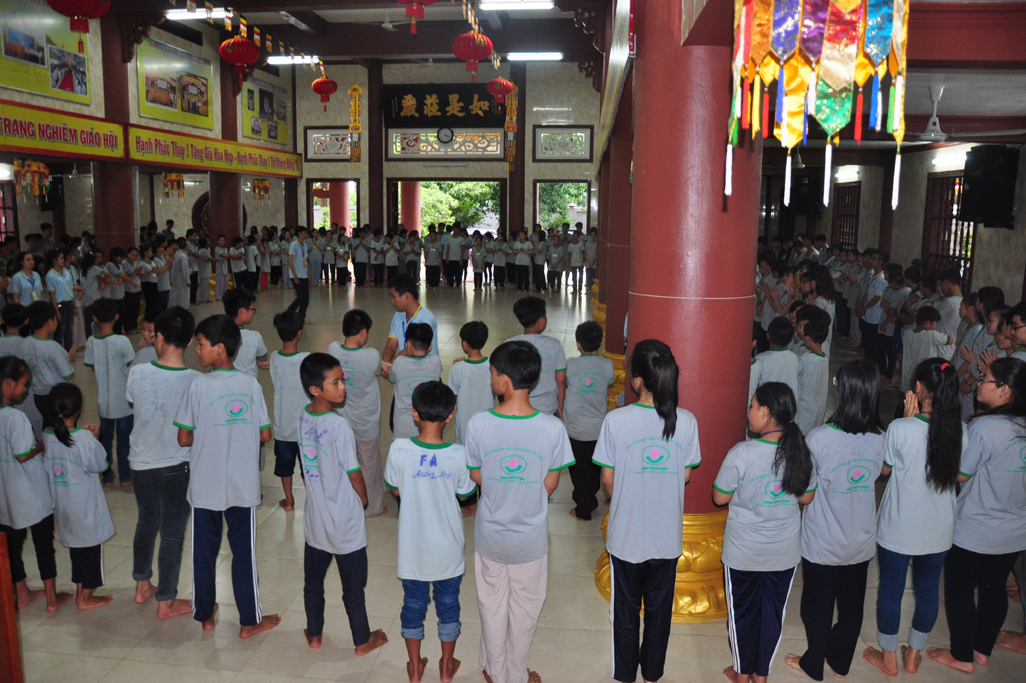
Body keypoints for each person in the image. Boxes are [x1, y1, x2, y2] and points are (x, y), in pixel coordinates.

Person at [465, 340, 574, 683]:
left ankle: (494, 670)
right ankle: (515, 675)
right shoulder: (553, 428)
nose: (491, 379)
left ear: (503, 381)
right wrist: (524, 493)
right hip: (530, 539)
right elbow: (550, 484)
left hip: (490, 535)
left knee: (491, 604)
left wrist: (501, 488)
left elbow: (476, 474)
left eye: (492, 373)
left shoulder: (478, 424)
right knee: (525, 609)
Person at [593, 340, 700, 683]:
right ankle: (652, 674)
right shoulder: (686, 421)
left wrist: (628, 494)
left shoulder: (616, 420)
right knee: (659, 612)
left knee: (625, 612)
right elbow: (685, 476)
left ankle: (625, 674)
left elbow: (607, 479)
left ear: (636, 379)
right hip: (666, 537)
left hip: (626, 536)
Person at [174, 314, 279, 638]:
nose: (197, 351)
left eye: (201, 345)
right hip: (241, 485)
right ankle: (249, 621)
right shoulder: (250, 385)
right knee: (243, 553)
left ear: (220, 348)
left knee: (203, 554)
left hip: (205, 484)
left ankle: (205, 615)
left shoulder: (197, 385)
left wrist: (210, 433)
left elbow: (183, 437)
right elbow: (265, 434)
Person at [784, 359, 885, 681]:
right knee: (852, 607)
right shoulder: (880, 438)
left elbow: (805, 489)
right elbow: (882, 471)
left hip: (824, 540)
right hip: (861, 538)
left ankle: (814, 662)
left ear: (840, 388)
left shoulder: (819, 438)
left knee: (817, 604)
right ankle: (840, 663)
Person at [864, 358, 965, 675]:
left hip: (899, 526)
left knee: (890, 590)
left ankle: (889, 658)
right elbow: (960, 476)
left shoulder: (900, 428)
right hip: (939, 528)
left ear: (919, 388)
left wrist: (905, 421)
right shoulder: (961, 430)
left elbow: (883, 471)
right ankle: (913, 654)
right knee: (928, 591)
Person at [925, 357, 1026, 672]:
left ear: (1005, 390)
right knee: (993, 588)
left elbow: (961, 475)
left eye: (986, 379)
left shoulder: (986, 427)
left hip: (977, 529)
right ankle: (982, 650)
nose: (979, 383)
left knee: (959, 590)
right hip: (1015, 530)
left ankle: (962, 655)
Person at [713, 382, 817, 683]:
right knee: (772, 616)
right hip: (783, 553)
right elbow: (806, 497)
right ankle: (761, 677)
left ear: (766, 412)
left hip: (743, 552)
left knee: (742, 616)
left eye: (752, 406)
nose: (748, 412)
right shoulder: (801, 452)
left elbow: (719, 497)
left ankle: (742, 675)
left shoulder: (742, 453)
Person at [296, 353, 389, 654]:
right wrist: (364, 499)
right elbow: (354, 473)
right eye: (335, 382)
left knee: (313, 583)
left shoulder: (303, 416)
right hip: (345, 522)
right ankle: (362, 640)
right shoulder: (340, 427)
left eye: (342, 380)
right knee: (353, 588)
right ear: (315, 389)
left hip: (316, 519)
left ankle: (314, 634)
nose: (343, 387)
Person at [384, 381, 477, 683]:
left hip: (413, 549)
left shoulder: (398, 448)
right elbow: (465, 495)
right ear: (450, 415)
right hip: (447, 549)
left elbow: (395, 489)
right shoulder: (460, 454)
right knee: (448, 605)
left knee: (413, 605)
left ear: (414, 413)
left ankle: (414, 668)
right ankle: (446, 667)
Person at [125, 306, 197, 619]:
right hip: (176, 466)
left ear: (159, 337)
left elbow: (133, 403)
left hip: (140, 464)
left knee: (146, 520)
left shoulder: (138, 372)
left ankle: (142, 585)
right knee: (171, 532)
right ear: (191, 341)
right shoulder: (196, 381)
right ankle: (166, 600)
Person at [0, 356, 71, 612]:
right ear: (8, 383)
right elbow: (22, 455)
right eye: (24, 384)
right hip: (29, 489)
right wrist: (41, 445)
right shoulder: (15, 418)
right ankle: (52, 598)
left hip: (5, 493)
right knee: (43, 542)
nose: (26, 390)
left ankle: (21, 592)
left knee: (12, 543)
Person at [45, 382, 116, 610]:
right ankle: (85, 598)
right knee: (92, 553)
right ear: (80, 408)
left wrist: (85, 436)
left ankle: (80, 592)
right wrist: (94, 438)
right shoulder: (84, 440)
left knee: (78, 552)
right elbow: (101, 465)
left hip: (65, 508)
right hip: (85, 509)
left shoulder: (48, 435)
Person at [328, 310, 386, 518]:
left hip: (343, 419)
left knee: (345, 461)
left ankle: (346, 501)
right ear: (363, 333)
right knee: (369, 464)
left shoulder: (333, 349)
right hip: (367, 421)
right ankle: (372, 507)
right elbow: (378, 371)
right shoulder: (371, 356)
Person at [563, 321, 615, 520]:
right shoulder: (607, 364)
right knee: (594, 467)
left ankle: (583, 506)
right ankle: (591, 496)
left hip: (574, 427)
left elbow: (566, 382)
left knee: (578, 469)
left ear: (578, 344)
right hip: (597, 428)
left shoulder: (571, 364)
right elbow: (610, 381)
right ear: (601, 342)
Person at [84, 299, 136, 486]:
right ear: (116, 317)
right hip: (123, 401)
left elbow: (92, 367)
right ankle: (125, 476)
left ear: (95, 318)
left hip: (103, 402)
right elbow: (132, 367)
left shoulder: (91, 342)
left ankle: (107, 476)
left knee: (105, 440)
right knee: (124, 440)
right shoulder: (123, 341)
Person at [269, 311, 309, 512]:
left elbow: (275, 382)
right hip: (305, 427)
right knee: (308, 466)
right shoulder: (307, 359)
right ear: (299, 333)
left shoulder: (274, 357)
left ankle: (289, 500)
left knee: (285, 465)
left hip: (283, 426)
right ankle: (313, 499)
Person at [506, 296, 567, 416]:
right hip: (548, 408)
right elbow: (561, 380)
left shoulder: (509, 344)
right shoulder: (554, 344)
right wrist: (560, 407)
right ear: (541, 321)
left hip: (517, 408)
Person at [24, 301, 75, 428]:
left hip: (39, 395)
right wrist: (68, 360)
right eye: (55, 319)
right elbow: (68, 375)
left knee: (48, 424)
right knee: (62, 427)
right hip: (57, 396)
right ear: (49, 323)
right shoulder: (52, 347)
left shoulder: (25, 342)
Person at [388, 323, 443, 440]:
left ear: (408, 344)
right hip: (428, 428)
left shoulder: (399, 363)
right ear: (430, 346)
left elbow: (391, 378)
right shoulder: (435, 362)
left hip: (402, 427)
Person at [446, 321, 494, 446]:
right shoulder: (492, 365)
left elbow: (450, 397)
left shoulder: (458, 368)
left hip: (465, 426)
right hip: (487, 424)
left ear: (465, 344)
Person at [0, 305, 44, 436]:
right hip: (26, 400)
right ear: (26, 321)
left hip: (3, 398)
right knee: (32, 435)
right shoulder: (28, 344)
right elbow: (36, 369)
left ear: (2, 319)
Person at [796, 309, 830, 434]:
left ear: (808, 339)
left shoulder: (806, 359)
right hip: (818, 406)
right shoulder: (824, 359)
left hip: (804, 407)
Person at [223, 288, 268, 378]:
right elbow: (262, 358)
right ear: (242, 311)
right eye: (252, 309)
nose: (253, 313)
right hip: (248, 384)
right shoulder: (254, 336)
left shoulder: (218, 334)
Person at [753, 317, 799, 398]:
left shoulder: (760, 359)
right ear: (791, 339)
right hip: (789, 403)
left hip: (768, 403)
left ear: (768, 335)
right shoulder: (795, 358)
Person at [45, 250, 77, 351]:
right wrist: (56, 311)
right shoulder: (50, 275)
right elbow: (52, 295)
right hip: (59, 304)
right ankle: (58, 352)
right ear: (54, 260)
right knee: (59, 330)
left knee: (69, 329)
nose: (63, 260)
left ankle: (69, 351)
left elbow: (70, 290)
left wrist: (74, 305)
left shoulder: (67, 272)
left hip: (69, 303)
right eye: (61, 258)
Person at [287, 226, 311, 320]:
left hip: (304, 274)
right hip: (296, 275)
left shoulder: (304, 246)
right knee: (300, 297)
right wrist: (295, 276)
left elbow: (305, 261)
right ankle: (288, 313)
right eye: (304, 232)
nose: (306, 234)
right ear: (299, 233)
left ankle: (301, 317)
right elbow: (290, 261)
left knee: (306, 299)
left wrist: (309, 274)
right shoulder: (294, 245)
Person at [213, 235, 229, 301]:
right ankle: (218, 297)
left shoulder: (225, 249)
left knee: (225, 284)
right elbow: (224, 256)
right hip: (219, 269)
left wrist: (227, 256)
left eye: (223, 240)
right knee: (219, 284)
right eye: (220, 240)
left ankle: (224, 296)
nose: (222, 242)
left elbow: (226, 256)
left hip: (225, 268)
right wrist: (228, 255)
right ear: (218, 241)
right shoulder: (217, 248)